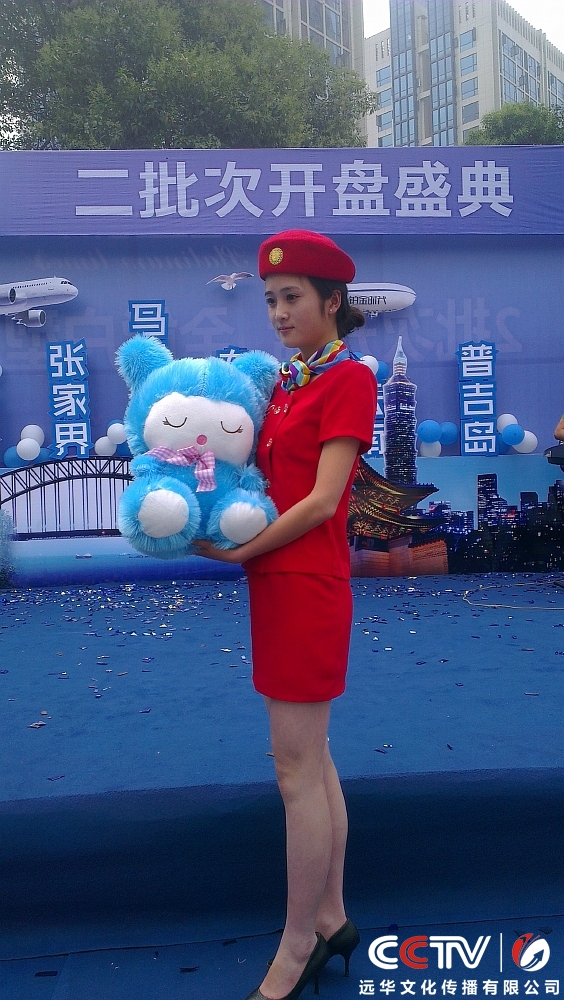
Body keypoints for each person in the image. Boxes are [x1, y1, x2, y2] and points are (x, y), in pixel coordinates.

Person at [193, 229, 377, 1000]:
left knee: (294, 770)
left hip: (304, 583)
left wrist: (241, 550)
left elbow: (324, 501)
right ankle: (332, 916)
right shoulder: (285, 385)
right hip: (275, 581)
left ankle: (298, 942)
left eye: (291, 297)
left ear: (332, 301)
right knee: (313, 760)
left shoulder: (349, 380)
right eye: (270, 299)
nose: (277, 311)